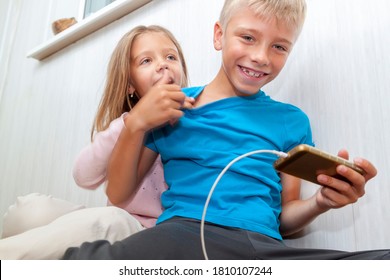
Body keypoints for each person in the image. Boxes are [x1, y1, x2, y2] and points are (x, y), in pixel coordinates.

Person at [62, 0, 389, 260]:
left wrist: (321, 202)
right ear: (219, 35)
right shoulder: (171, 107)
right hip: (182, 235)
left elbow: (285, 218)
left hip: (264, 250)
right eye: (248, 37)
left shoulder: (292, 121)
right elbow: (118, 194)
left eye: (279, 47)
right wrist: (136, 124)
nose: (261, 56)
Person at [0, 25, 192, 259]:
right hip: (109, 220)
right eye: (146, 61)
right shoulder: (125, 125)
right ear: (130, 85)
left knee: (111, 219)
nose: (162, 64)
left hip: (145, 233)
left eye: (170, 57)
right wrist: (129, 124)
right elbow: (84, 175)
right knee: (29, 210)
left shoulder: (192, 121)